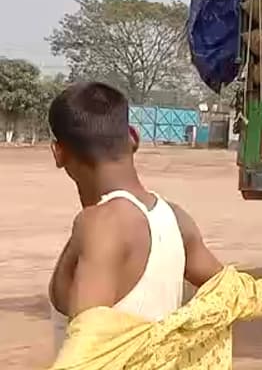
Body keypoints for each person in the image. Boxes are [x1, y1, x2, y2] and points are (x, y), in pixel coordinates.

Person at [47, 82, 223, 353]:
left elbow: (87, 350)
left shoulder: (99, 225)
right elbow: (232, 292)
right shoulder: (177, 219)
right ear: (133, 137)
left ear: (58, 153)